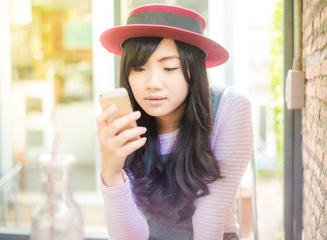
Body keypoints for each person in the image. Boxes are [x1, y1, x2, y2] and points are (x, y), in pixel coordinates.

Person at [96, 4, 253, 240]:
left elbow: (209, 222)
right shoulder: (118, 126)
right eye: (139, 68)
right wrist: (111, 173)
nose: (152, 83)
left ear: (195, 70)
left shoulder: (229, 108)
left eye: (169, 67)